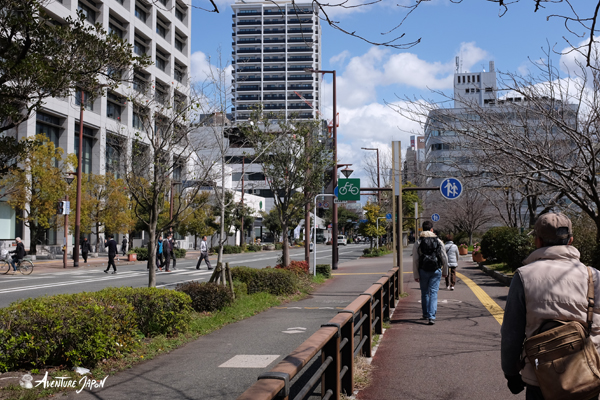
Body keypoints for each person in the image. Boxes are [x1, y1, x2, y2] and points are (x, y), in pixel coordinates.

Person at [501, 213, 600, 400]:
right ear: (571, 240)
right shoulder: (593, 276)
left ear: (537, 241)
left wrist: (511, 372)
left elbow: (511, 333)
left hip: (540, 376)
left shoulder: (523, 276)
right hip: (585, 376)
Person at [412, 221, 448, 325]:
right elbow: (444, 257)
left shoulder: (419, 241)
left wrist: (416, 274)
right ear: (432, 229)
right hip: (436, 270)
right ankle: (432, 317)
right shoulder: (438, 241)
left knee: (424, 293)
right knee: (433, 293)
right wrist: (445, 271)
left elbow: (415, 259)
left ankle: (426, 314)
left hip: (423, 270)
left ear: (422, 229)